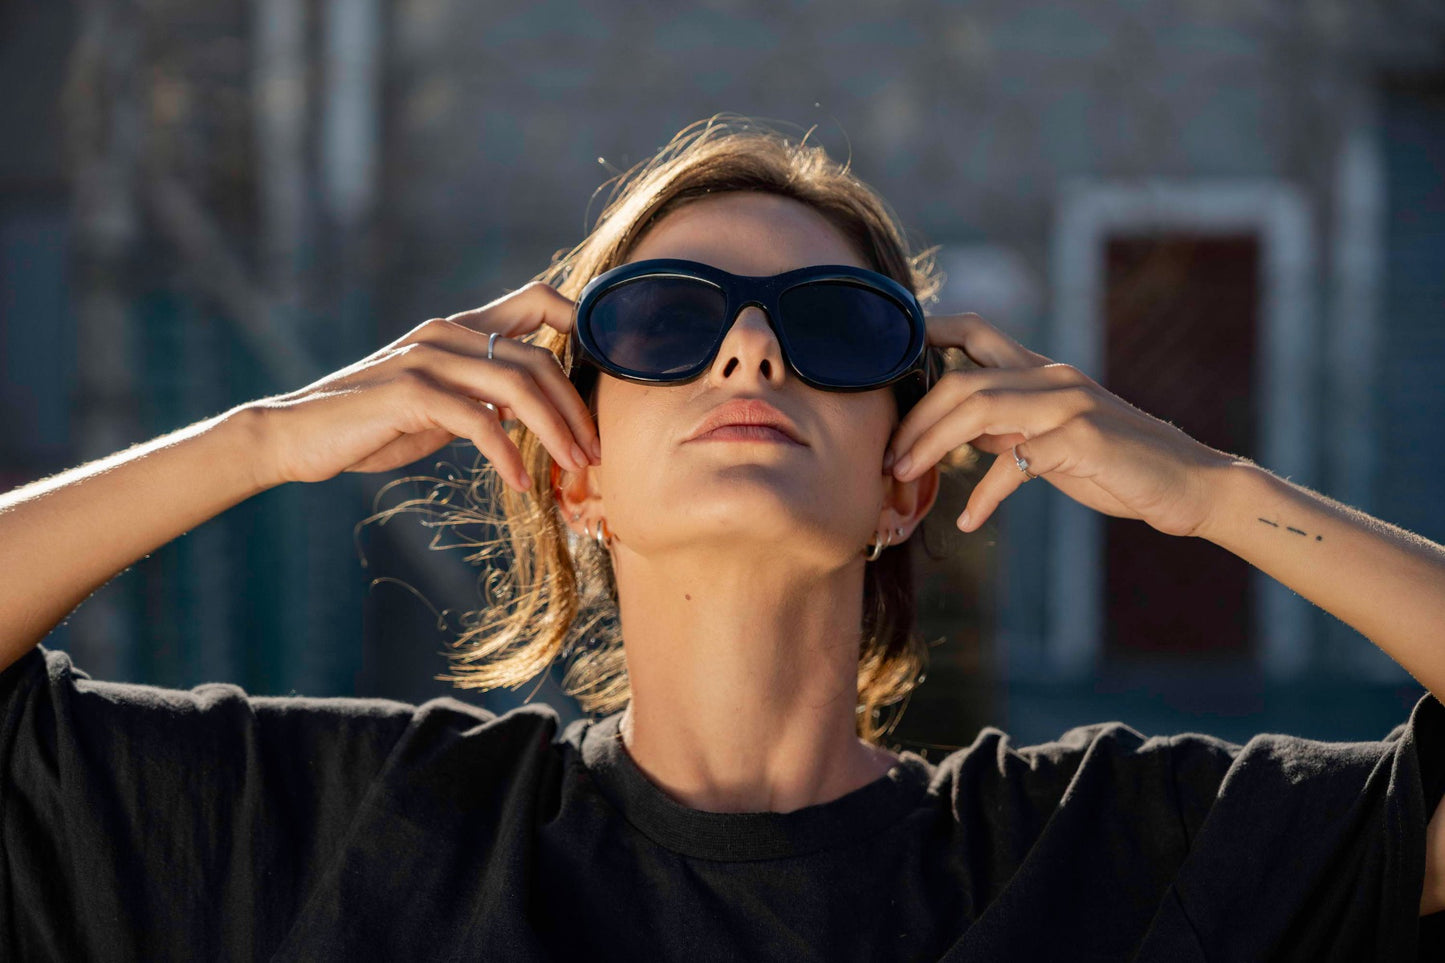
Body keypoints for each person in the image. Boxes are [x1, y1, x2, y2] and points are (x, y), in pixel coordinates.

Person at [2, 115, 1443, 962]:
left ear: (905, 483)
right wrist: (265, 436)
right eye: (665, 322)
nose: (750, 350)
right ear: (573, 468)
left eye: (832, 330)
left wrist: (1199, 491)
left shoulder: (1111, 857)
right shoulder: (343, 831)